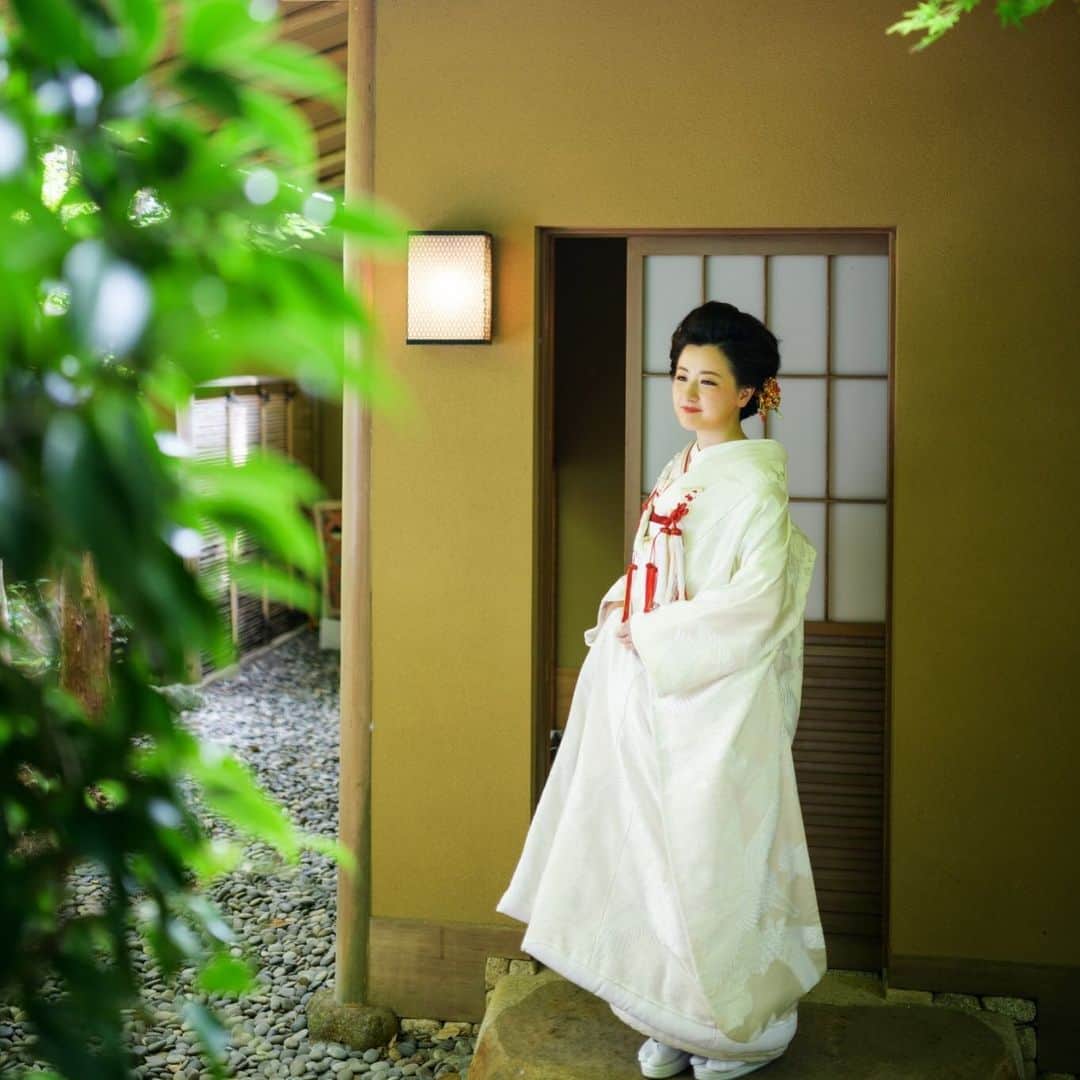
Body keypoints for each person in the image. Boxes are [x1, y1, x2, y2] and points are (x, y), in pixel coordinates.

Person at [496, 301, 827, 1079]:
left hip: (712, 699)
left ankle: (740, 1028)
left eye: (709, 380)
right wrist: (624, 616)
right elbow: (653, 568)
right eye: (681, 375)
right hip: (650, 687)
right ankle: (668, 1012)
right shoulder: (682, 467)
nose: (688, 392)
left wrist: (654, 637)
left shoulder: (754, 488)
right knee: (645, 855)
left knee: (711, 857)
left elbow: (758, 605)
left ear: (750, 393)